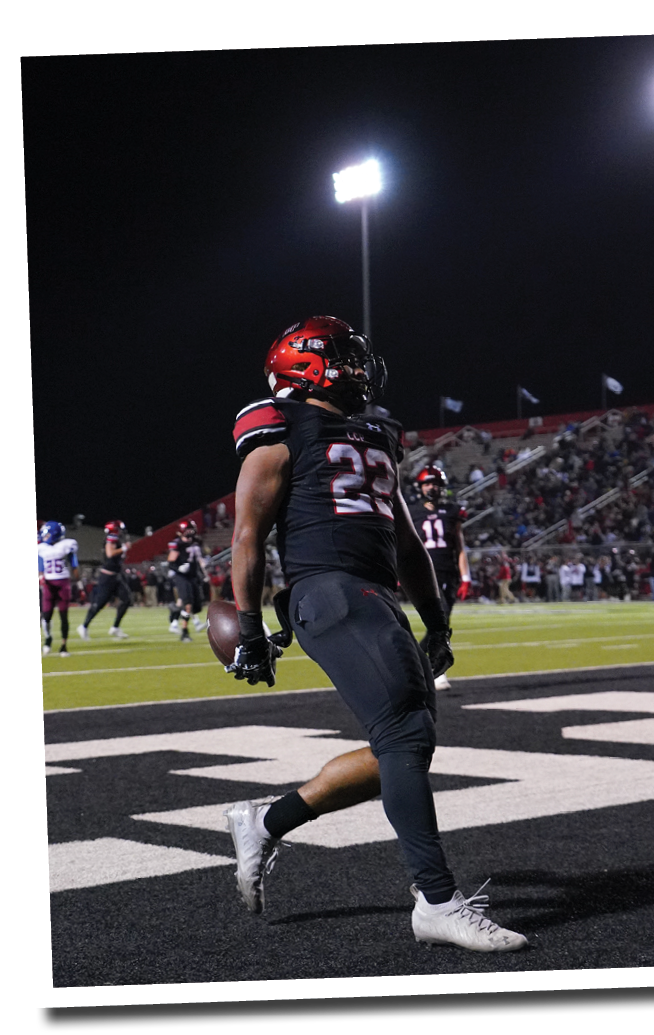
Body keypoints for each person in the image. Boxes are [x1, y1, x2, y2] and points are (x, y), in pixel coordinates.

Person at [221, 315, 526, 952]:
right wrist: (249, 627)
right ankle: (436, 902)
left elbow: (408, 541)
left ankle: (264, 822)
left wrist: (436, 619)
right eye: (345, 357)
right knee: (405, 736)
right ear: (307, 364)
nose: (359, 367)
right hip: (326, 588)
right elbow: (247, 536)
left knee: (402, 751)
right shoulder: (279, 426)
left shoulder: (378, 431)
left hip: (376, 592)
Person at [408, 465, 470, 689]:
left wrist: (466, 577)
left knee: (441, 625)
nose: (431, 487)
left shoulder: (453, 511)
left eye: (435, 483)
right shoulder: (412, 511)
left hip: (448, 573)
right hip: (424, 573)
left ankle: (420, 664)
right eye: (427, 483)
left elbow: (460, 546)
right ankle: (432, 668)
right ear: (420, 486)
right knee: (440, 624)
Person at [78, 521, 133, 640]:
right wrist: (123, 548)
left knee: (127, 599)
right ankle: (84, 626)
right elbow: (110, 554)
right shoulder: (111, 538)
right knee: (99, 604)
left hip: (117, 576)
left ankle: (115, 628)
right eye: (119, 529)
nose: (121, 532)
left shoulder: (114, 539)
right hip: (107, 578)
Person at [38, 521, 79, 656]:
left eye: (47, 533)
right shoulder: (42, 548)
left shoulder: (67, 545)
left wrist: (78, 583)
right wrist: (40, 577)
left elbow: (74, 565)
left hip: (63, 583)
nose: (44, 536)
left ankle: (63, 646)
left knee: (63, 615)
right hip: (49, 584)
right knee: (46, 615)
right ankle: (48, 640)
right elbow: (40, 568)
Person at [168, 520, 206, 641]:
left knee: (197, 606)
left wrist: (202, 571)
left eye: (192, 529)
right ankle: (184, 632)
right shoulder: (177, 544)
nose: (191, 532)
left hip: (193, 576)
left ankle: (175, 611)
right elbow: (170, 562)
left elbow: (198, 559)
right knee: (188, 604)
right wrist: (179, 568)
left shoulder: (196, 542)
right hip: (181, 577)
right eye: (188, 530)